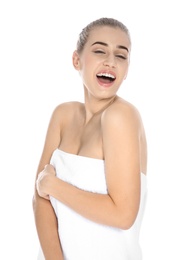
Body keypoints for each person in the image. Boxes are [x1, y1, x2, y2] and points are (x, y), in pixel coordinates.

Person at [33, 17, 148, 260]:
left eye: (121, 55)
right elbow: (39, 200)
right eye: (99, 51)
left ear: (127, 69)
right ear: (77, 60)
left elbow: (123, 214)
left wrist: (53, 186)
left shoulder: (121, 116)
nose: (110, 62)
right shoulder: (62, 115)